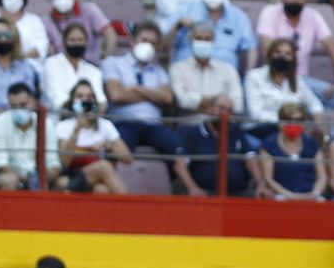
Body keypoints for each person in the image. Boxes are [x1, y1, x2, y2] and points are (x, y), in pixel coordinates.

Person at [104, 21, 180, 157]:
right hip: (124, 123)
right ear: (132, 41)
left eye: (152, 43)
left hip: (154, 126)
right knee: (118, 150)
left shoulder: (159, 71)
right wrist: (153, 94)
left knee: (178, 149)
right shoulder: (113, 63)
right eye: (144, 40)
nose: (148, 46)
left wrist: (135, 89)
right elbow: (116, 95)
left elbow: (167, 98)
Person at [256, 0, 334, 106]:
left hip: (301, 79)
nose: (295, 1)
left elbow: (331, 45)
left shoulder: (313, 15)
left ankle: (303, 113)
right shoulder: (270, 12)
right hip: (274, 76)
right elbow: (268, 51)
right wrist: (278, 79)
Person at [54, 79, 131, 192]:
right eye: (80, 96)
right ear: (72, 101)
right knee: (104, 166)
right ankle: (130, 207)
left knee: (101, 190)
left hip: (97, 177)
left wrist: (107, 145)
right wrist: (77, 129)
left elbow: (128, 158)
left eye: (89, 97)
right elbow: (65, 162)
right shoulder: (62, 126)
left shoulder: (105, 125)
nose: (85, 100)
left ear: (95, 101)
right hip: (71, 174)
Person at [173, 96, 258, 194]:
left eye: (229, 111)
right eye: (221, 108)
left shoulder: (236, 132)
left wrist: (260, 183)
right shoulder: (191, 133)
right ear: (209, 109)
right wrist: (193, 189)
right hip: (204, 194)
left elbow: (251, 159)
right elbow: (179, 165)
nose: (224, 113)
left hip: (238, 194)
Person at [0, 82, 61, 188]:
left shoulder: (47, 124)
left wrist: (44, 177)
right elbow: (1, 164)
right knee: (8, 179)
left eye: (23, 105)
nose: (18, 110)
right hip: (11, 176)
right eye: (13, 106)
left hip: (39, 176)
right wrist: (28, 180)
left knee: (58, 182)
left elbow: (53, 161)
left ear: (33, 102)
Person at [170, 21, 245, 120]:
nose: (203, 42)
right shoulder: (178, 68)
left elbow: (237, 105)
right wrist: (217, 100)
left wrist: (197, 103)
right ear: (190, 40)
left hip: (222, 127)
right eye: (198, 39)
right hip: (190, 127)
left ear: (214, 41)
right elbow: (183, 101)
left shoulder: (228, 69)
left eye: (207, 39)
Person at [257, 102, 327, 200]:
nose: (294, 123)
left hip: (310, 196)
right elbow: (268, 178)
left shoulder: (312, 144)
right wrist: (290, 195)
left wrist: (315, 193)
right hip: (281, 195)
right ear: (281, 122)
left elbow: (322, 176)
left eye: (298, 120)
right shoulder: (269, 144)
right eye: (289, 120)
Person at [247, 36, 325, 122]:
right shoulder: (254, 76)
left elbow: (315, 104)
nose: (282, 57)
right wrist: (286, 120)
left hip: (293, 129)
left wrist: (318, 120)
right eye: (277, 52)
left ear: (293, 59)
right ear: (270, 55)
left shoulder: (297, 81)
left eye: (287, 54)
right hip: (264, 128)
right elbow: (255, 113)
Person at [42, 21, 106, 113]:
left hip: (89, 120)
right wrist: (87, 106)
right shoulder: (51, 64)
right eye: (72, 40)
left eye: (80, 40)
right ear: (64, 41)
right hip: (57, 119)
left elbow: (101, 101)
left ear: (86, 42)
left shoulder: (94, 71)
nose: (76, 44)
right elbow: (57, 99)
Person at [47, 0, 117, 66]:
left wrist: (105, 61)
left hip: (92, 65)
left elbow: (110, 35)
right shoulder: (47, 21)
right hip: (63, 68)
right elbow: (49, 50)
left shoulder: (89, 9)